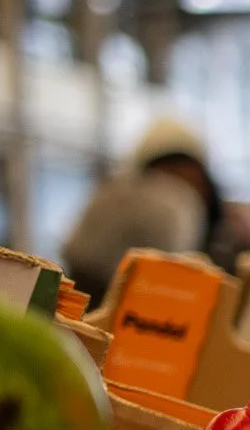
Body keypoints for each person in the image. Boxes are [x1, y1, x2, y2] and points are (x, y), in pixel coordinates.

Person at [63, 117, 233, 304]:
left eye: (189, 186)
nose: (178, 198)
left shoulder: (226, 251)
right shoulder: (110, 215)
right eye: (168, 181)